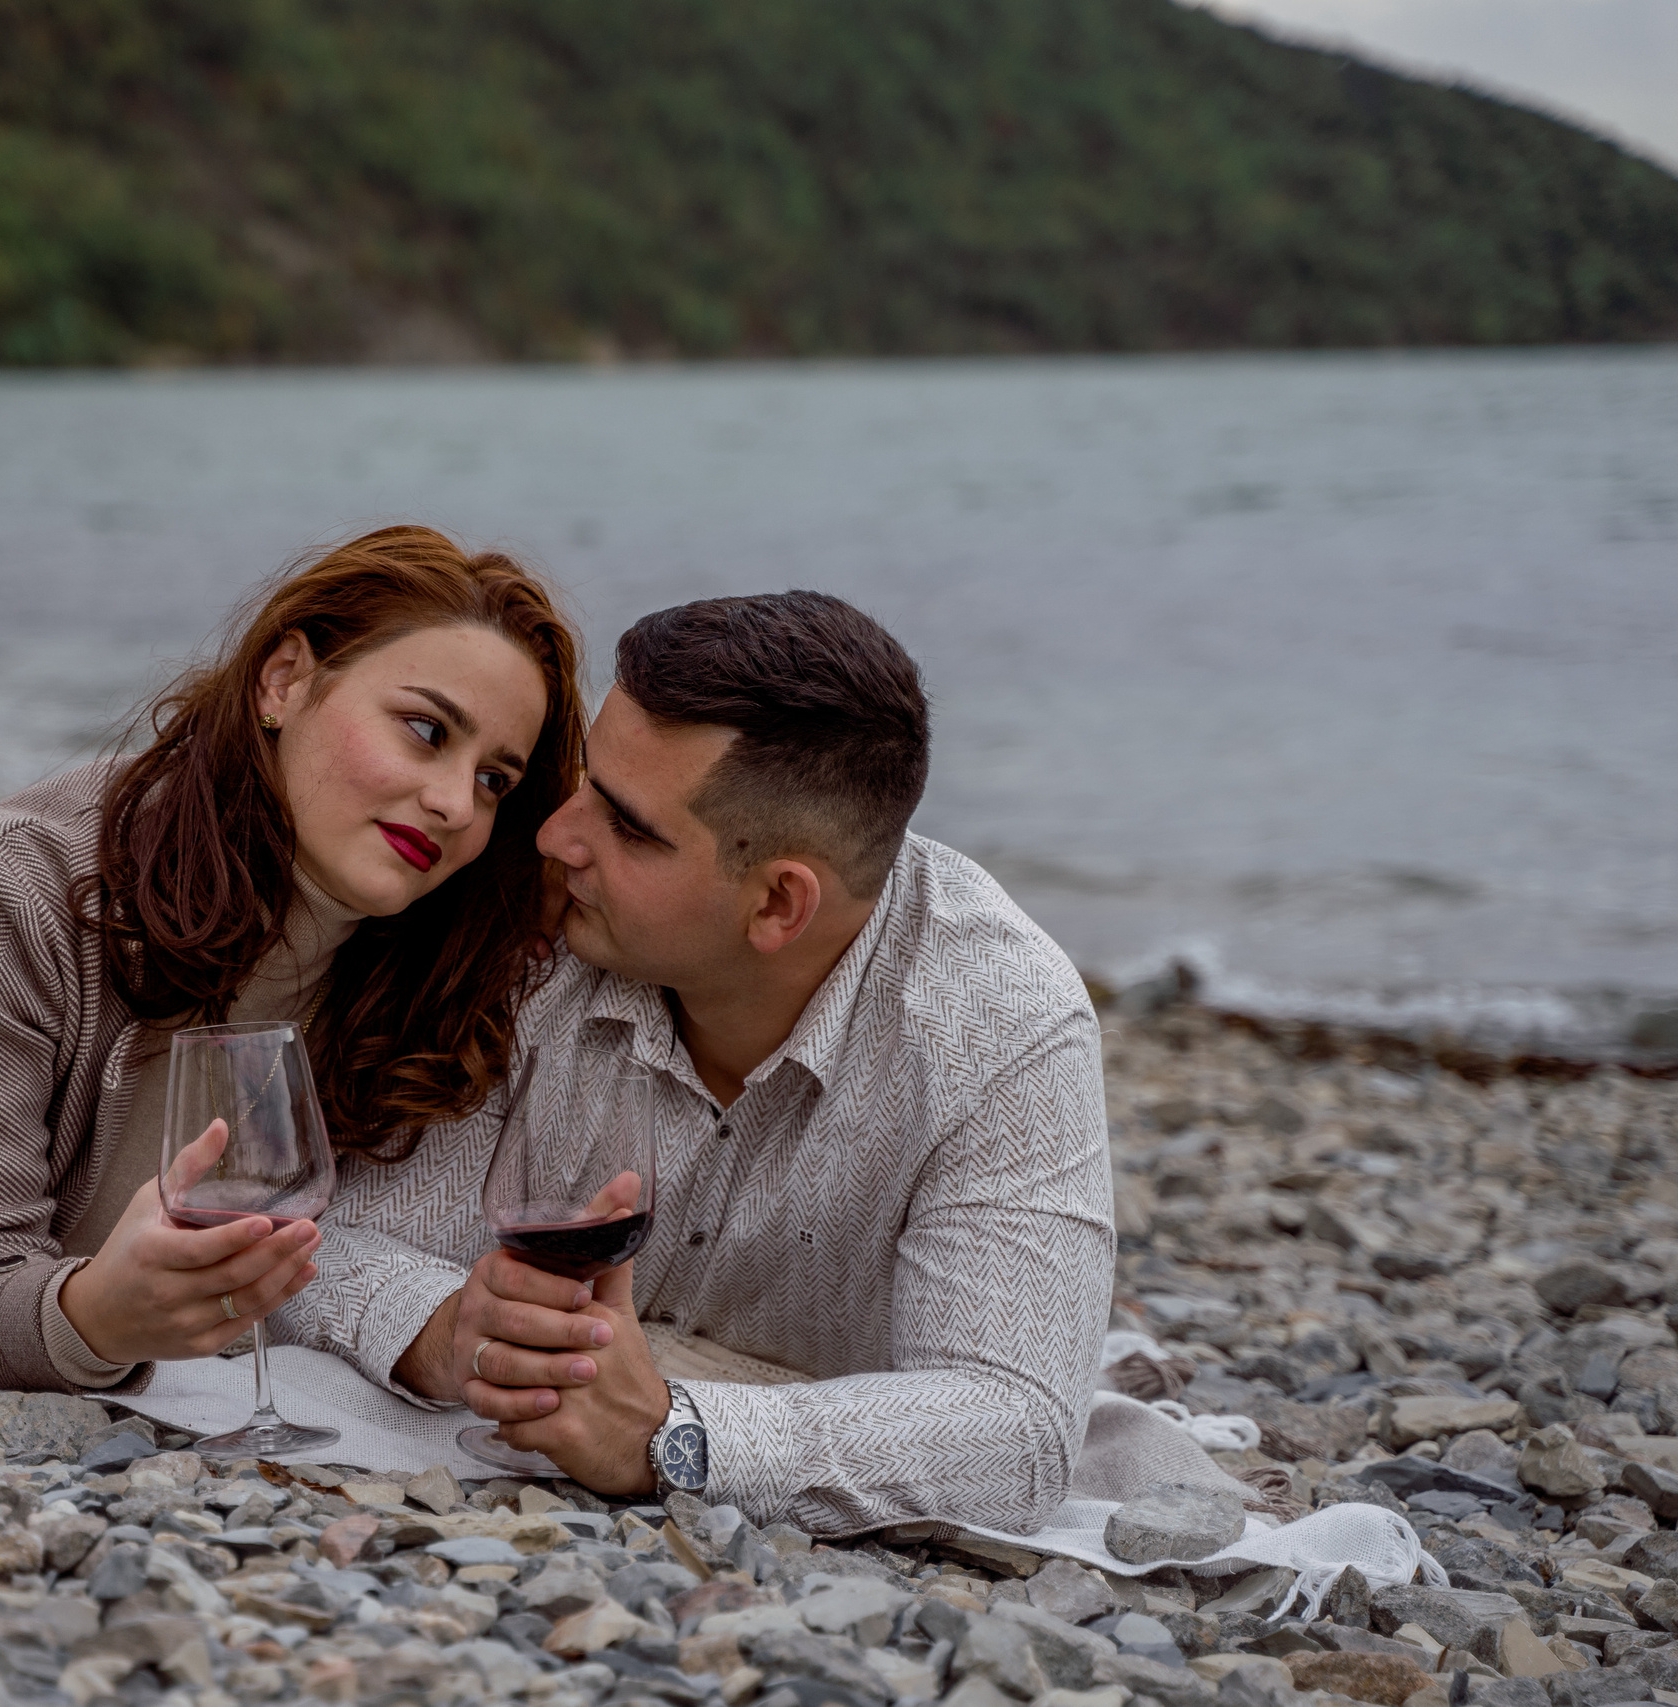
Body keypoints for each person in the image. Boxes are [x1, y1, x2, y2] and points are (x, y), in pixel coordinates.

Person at [276, 591, 1112, 1536]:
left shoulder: (1000, 1021)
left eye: (628, 827)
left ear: (778, 906)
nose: (556, 836)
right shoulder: (538, 928)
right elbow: (320, 1229)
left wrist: (674, 1435)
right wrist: (443, 1333)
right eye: (586, 779)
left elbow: (1017, 1435)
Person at [0, 526, 584, 1393]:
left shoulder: (423, 941)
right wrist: (95, 1320)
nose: (456, 805)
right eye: (426, 730)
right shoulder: (0, 882)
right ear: (284, 680)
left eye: (494, 779)